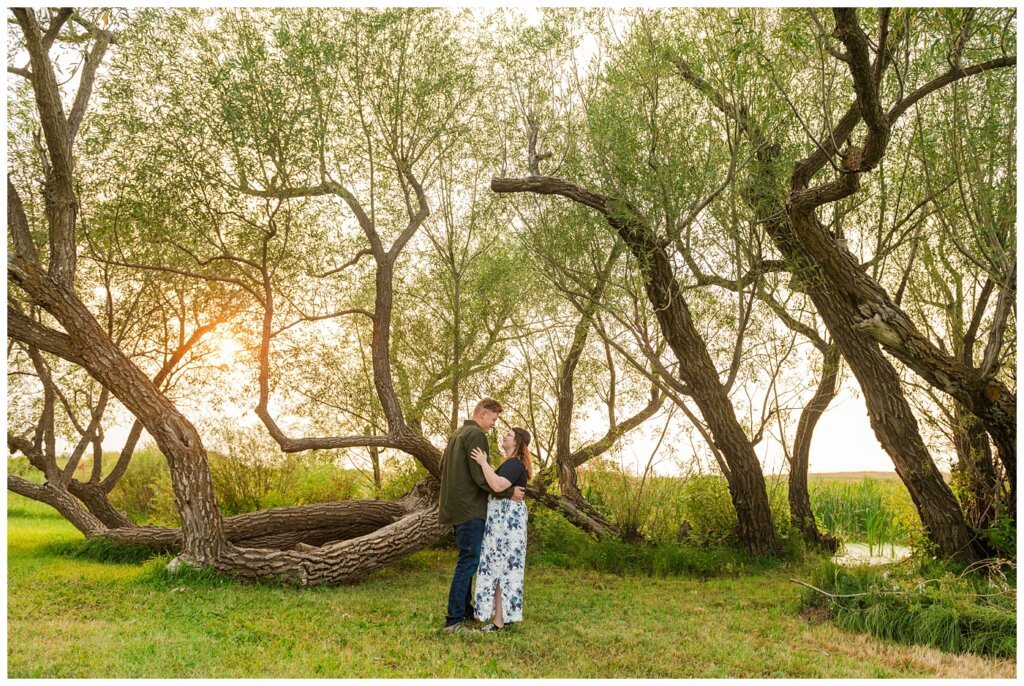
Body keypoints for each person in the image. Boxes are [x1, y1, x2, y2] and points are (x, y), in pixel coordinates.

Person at [438, 397, 525, 633]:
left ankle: (464, 611)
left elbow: (441, 467)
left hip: (455, 508)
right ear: (484, 413)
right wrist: (509, 492)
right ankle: (453, 621)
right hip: (470, 509)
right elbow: (481, 477)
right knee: (468, 562)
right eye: (494, 419)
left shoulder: (457, 434)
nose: (494, 425)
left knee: (466, 559)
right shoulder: (477, 436)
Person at [469, 426, 532, 632]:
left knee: (502, 568)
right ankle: (503, 616)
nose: (505, 436)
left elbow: (496, 486)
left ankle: (499, 622)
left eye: (510, 435)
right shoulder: (510, 463)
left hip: (507, 523)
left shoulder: (514, 464)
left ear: (517, 443)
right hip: (502, 521)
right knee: (501, 568)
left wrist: (483, 463)